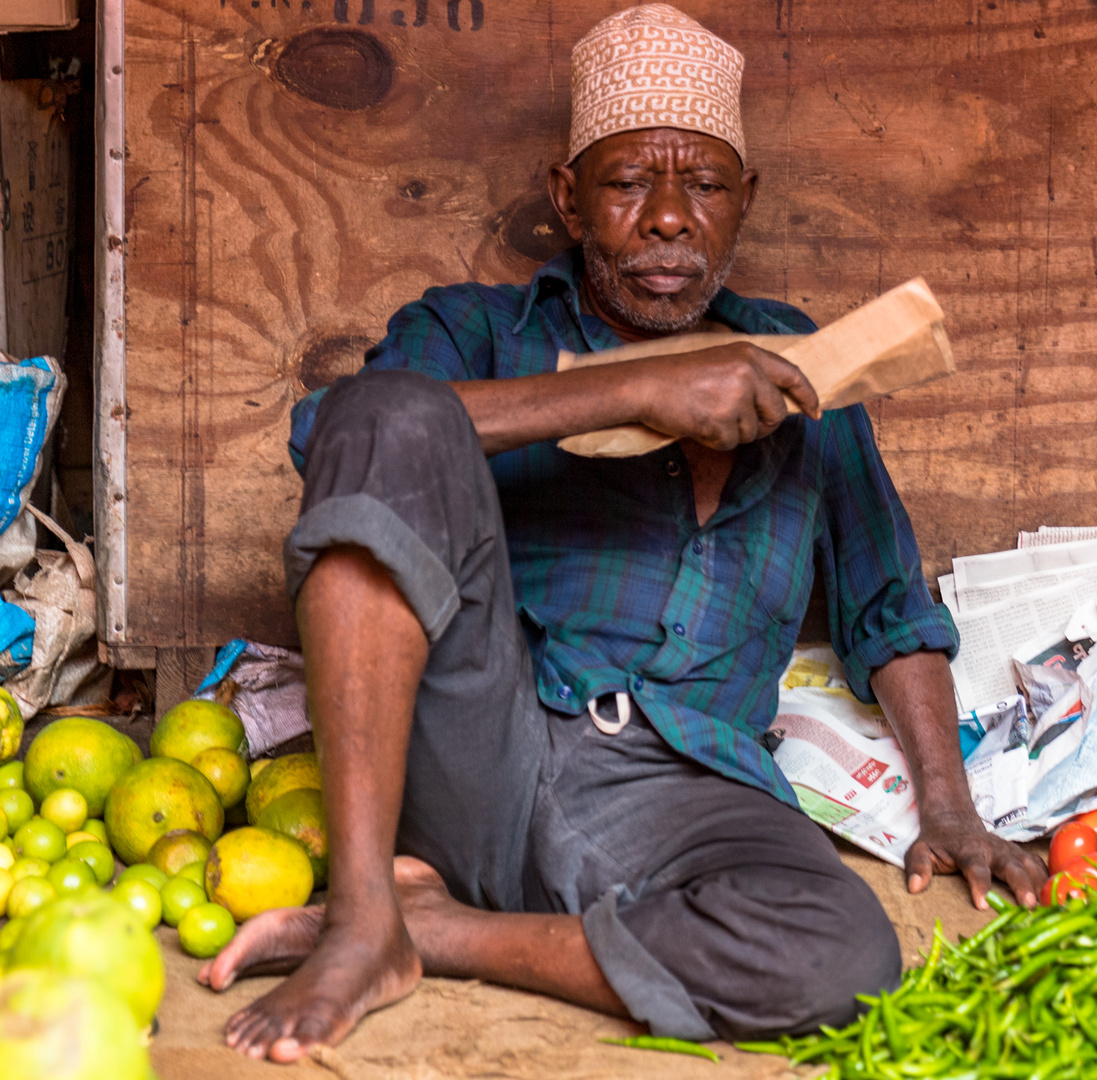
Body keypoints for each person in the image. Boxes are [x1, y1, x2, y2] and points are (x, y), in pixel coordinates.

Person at [197, 4, 1046, 1063]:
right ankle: (367, 909)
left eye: (704, 184)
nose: (668, 218)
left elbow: (888, 604)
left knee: (841, 953)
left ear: (745, 203)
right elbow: (341, 434)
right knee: (393, 411)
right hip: (482, 748)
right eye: (629, 180)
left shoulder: (804, 368)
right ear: (567, 197)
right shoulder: (479, 329)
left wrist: (952, 809)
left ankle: (438, 934)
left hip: (685, 789)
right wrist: (639, 389)